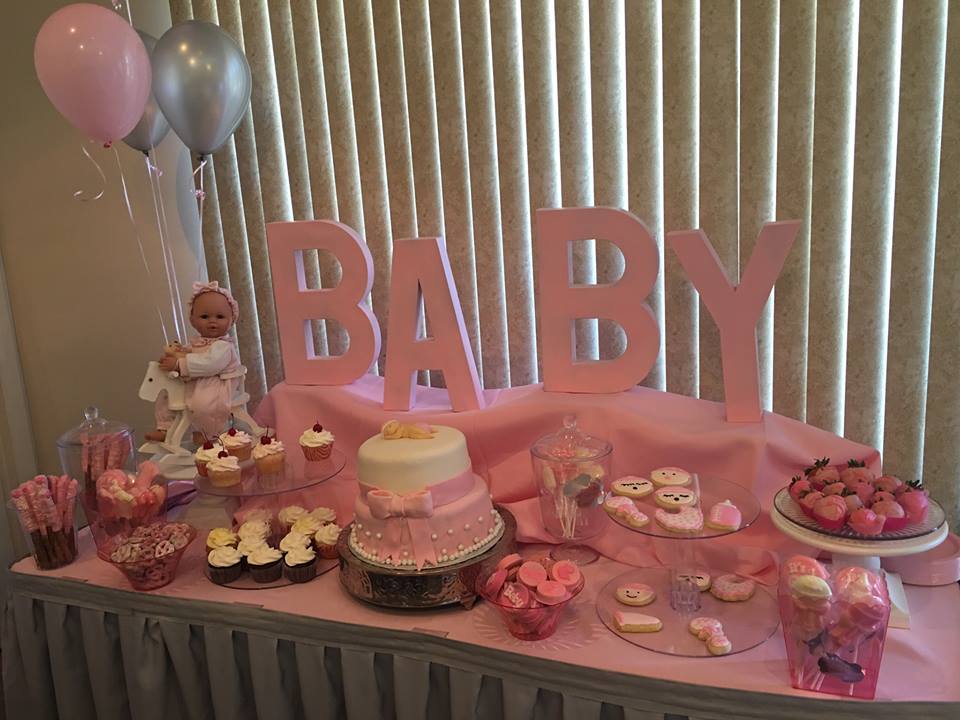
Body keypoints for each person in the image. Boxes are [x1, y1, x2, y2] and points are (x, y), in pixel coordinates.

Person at [145, 281, 244, 442]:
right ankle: (165, 427)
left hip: (218, 383)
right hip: (198, 380)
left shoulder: (224, 347)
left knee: (203, 404)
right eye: (205, 316)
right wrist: (175, 356)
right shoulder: (196, 343)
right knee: (166, 392)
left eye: (220, 316)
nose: (212, 321)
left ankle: (209, 433)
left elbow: (209, 364)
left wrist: (179, 364)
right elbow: (188, 353)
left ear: (231, 320)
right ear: (193, 320)